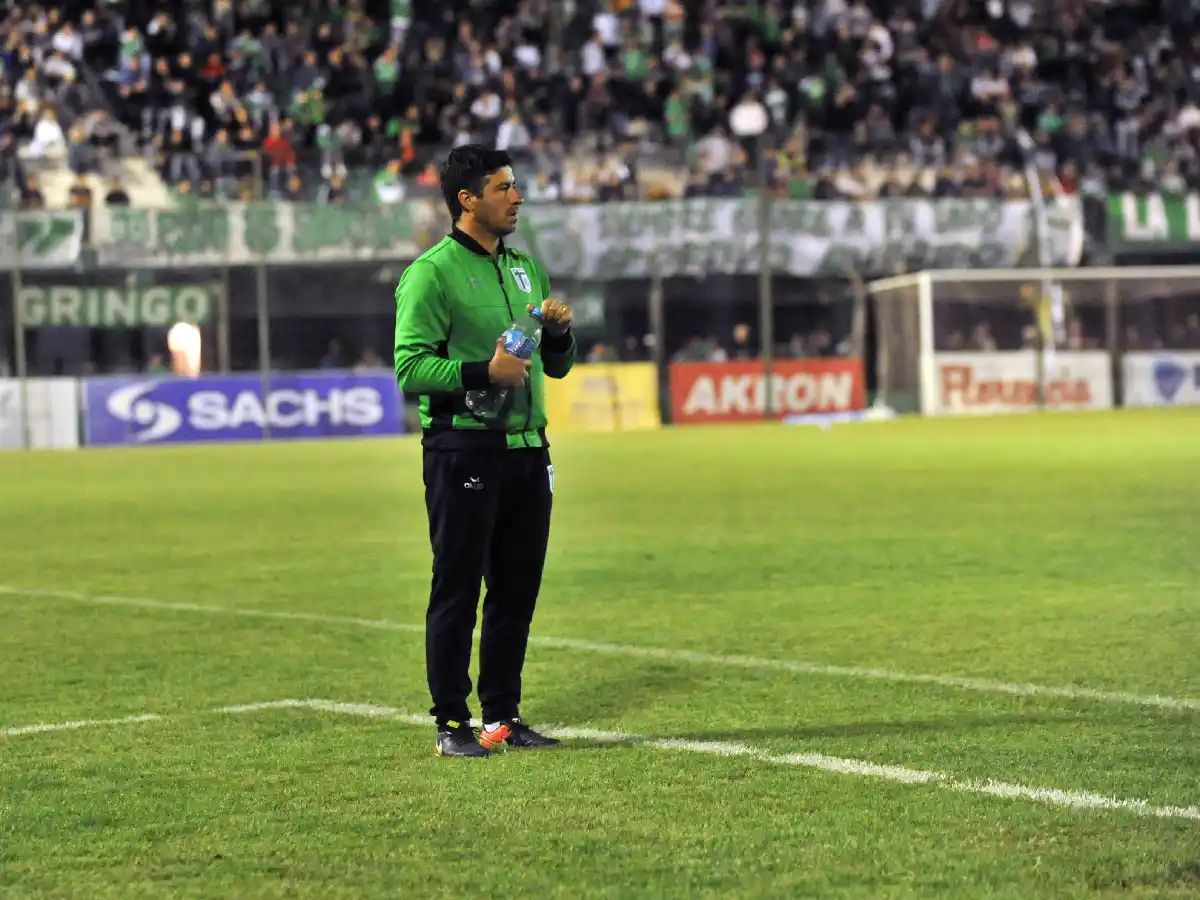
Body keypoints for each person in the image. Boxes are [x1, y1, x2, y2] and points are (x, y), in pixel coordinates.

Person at [393, 144, 576, 758]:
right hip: (463, 450)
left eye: (515, 185)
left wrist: (560, 335)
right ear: (467, 200)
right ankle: (451, 723)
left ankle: (502, 718)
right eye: (503, 188)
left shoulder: (527, 268)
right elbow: (410, 367)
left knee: (516, 589)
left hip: (528, 449)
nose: (517, 197)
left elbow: (557, 367)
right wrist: (482, 373)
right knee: (458, 587)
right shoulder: (431, 273)